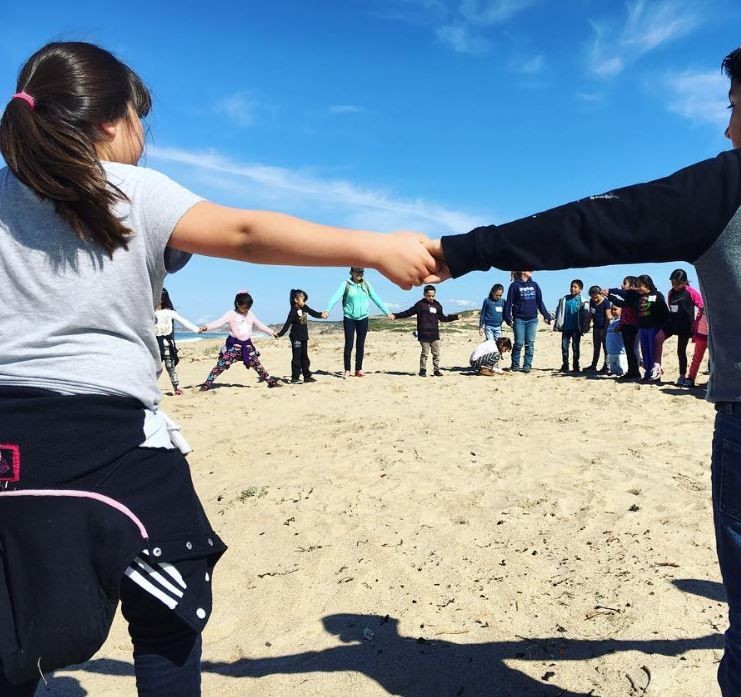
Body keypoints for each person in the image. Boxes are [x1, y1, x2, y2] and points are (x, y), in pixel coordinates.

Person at [426, 21, 741, 696]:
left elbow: (592, 225)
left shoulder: (734, 181)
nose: (729, 131)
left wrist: (463, 251)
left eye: (733, 108)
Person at [0, 41, 436, 697]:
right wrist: (373, 246)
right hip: (114, 441)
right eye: (141, 121)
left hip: (10, 439)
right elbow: (243, 232)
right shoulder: (132, 188)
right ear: (111, 122)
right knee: (169, 605)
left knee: (13, 606)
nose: (145, 138)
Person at [198, 291, 279, 390]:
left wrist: (271, 332)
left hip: (247, 347)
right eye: (244, 307)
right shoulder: (230, 314)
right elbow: (219, 322)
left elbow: (259, 325)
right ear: (237, 303)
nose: (246, 310)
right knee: (220, 365)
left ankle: (270, 382)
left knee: (257, 365)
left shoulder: (250, 314)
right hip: (233, 347)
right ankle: (207, 384)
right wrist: (206, 327)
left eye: (248, 308)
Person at [323, 267, 395, 378]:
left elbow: (375, 298)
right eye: (357, 271)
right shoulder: (345, 284)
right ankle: (347, 369)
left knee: (360, 345)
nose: (359, 274)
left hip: (363, 317)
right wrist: (327, 310)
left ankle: (358, 369)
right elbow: (336, 297)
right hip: (349, 317)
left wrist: (387, 312)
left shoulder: (366, 284)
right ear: (351, 272)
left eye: (361, 272)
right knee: (349, 344)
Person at [392, 284, 459, 377]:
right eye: (429, 296)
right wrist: (395, 315)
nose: (431, 297)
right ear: (424, 294)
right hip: (423, 333)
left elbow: (443, 318)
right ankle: (422, 370)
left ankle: (436, 370)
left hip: (435, 333)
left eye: (433, 296)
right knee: (425, 353)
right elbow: (408, 313)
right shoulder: (420, 305)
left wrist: (455, 317)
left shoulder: (437, 305)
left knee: (436, 353)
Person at [653, 269, 705, 386]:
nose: (675, 286)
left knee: (680, 351)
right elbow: (671, 309)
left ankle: (682, 376)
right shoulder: (671, 292)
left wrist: (697, 324)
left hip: (686, 326)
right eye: (673, 283)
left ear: (685, 282)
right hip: (673, 322)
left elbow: (702, 306)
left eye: (677, 283)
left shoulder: (691, 291)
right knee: (657, 338)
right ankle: (657, 368)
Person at [503, 270, 552, 373]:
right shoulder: (514, 285)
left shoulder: (535, 285)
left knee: (530, 343)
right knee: (519, 343)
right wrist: (507, 317)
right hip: (519, 319)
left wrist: (546, 315)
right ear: (522, 271)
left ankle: (527, 366)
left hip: (532, 319)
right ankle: (515, 365)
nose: (532, 271)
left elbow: (539, 302)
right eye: (529, 269)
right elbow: (509, 302)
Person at [155, 288, 200, 395]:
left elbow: (184, 322)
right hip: (154, 344)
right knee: (154, 367)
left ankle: (176, 387)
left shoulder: (170, 313)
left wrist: (197, 329)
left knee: (170, 367)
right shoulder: (150, 312)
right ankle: (149, 387)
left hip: (167, 344)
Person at [275, 288, 323, 384]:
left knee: (305, 357)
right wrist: (280, 334)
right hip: (296, 337)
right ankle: (295, 378)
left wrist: (321, 315)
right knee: (297, 357)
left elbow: (313, 313)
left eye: (305, 300)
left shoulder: (304, 308)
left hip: (304, 336)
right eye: (303, 300)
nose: (305, 302)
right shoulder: (293, 310)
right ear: (295, 300)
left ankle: (307, 376)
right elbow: (287, 323)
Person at [634, 274, 670, 385]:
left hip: (654, 328)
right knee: (645, 352)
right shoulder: (638, 297)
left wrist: (663, 327)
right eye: (637, 286)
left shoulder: (657, 295)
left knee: (653, 351)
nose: (638, 288)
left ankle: (656, 375)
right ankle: (647, 374)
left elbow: (665, 312)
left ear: (647, 284)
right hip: (643, 328)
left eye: (640, 285)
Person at [606, 277, 642, 381]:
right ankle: (632, 371)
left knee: (633, 350)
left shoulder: (635, 295)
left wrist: (610, 293)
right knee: (629, 350)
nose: (622, 285)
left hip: (633, 326)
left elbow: (621, 301)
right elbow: (620, 302)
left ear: (632, 286)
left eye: (624, 283)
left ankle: (635, 372)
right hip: (626, 325)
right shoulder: (628, 296)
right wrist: (609, 295)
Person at [552, 279, 589, 373]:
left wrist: (585, 326)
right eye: (571, 286)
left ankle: (576, 365)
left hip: (577, 328)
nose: (573, 288)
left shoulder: (583, 301)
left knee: (576, 347)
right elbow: (558, 311)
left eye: (575, 287)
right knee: (564, 346)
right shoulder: (564, 299)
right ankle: (565, 365)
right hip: (566, 327)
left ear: (580, 289)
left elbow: (586, 315)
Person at [585, 285, 613, 374]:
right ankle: (593, 365)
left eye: (596, 297)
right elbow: (590, 313)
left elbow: (608, 317)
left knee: (606, 348)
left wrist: (605, 330)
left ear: (600, 294)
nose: (595, 299)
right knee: (596, 348)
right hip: (596, 328)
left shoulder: (606, 302)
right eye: (593, 297)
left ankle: (606, 366)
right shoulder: (592, 302)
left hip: (604, 328)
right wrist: (587, 324)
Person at [682, 311, 709, 390]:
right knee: (697, 357)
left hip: (712, 335)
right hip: (701, 334)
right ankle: (691, 378)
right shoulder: (703, 306)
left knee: (715, 360)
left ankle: (714, 379)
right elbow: (698, 319)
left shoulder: (715, 305)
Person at [604, 306, 628, 376]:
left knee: (621, 369)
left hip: (620, 351)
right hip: (611, 351)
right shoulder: (611, 321)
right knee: (613, 368)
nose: (613, 311)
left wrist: (620, 327)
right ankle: (613, 370)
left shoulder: (622, 321)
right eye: (611, 310)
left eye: (615, 309)